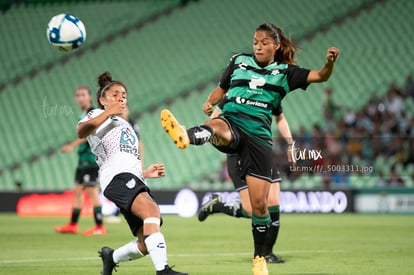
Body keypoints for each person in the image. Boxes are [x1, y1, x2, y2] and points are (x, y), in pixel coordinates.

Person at [160, 23, 339, 275]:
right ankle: (186, 136)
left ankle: (259, 259)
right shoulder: (238, 60)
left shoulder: (286, 73)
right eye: (255, 40)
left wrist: (329, 62)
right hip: (232, 120)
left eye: (264, 41)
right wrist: (210, 101)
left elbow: (321, 76)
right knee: (217, 126)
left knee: (258, 206)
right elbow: (221, 89)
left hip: (258, 138)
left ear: (276, 46)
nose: (257, 45)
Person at [78, 72, 188, 275]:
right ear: (102, 100)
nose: (121, 98)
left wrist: (144, 173)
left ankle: (111, 257)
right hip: (116, 177)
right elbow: (82, 131)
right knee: (151, 211)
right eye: (115, 94)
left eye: (124, 95)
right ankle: (162, 271)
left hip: (129, 177)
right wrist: (108, 112)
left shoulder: (126, 126)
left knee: (145, 242)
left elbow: (126, 158)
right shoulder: (96, 115)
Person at [197, 103, 294, 264]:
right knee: (251, 210)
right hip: (238, 155)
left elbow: (280, 118)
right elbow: (214, 122)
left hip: (261, 151)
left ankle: (267, 254)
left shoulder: (272, 91)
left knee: (273, 202)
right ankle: (216, 206)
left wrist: (291, 143)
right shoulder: (235, 93)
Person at [54, 86, 106, 236]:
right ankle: (72, 224)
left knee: (92, 191)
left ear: (89, 97)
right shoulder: (82, 114)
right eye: (78, 95)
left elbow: (87, 134)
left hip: (91, 159)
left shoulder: (91, 113)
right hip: (82, 160)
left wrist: (71, 146)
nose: (80, 98)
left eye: (83, 95)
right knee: (77, 191)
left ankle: (99, 226)